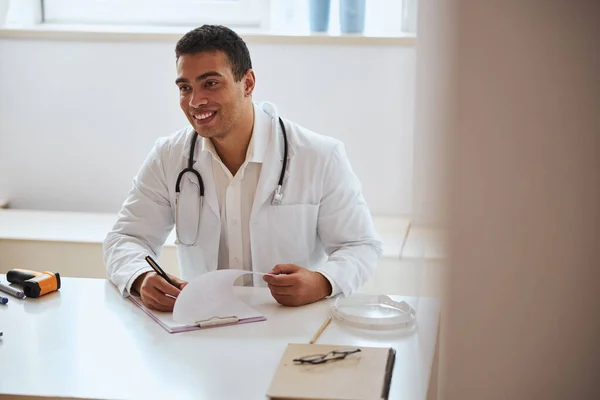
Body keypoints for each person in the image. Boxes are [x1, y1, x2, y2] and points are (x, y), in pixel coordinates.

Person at [103, 25, 382, 311]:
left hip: (291, 326)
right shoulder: (169, 156)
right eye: (185, 88)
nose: (195, 101)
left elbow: (360, 246)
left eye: (210, 83)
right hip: (204, 327)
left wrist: (323, 281)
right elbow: (125, 239)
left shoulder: (319, 155)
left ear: (247, 83)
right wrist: (141, 277)